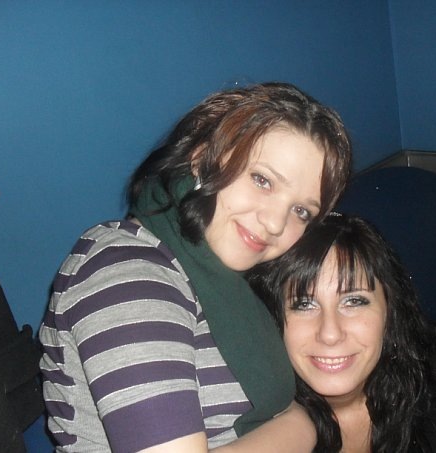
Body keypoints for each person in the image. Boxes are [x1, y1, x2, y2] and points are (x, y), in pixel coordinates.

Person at [39, 82, 351, 452]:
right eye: (262, 180)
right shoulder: (126, 270)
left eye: (301, 211)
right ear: (202, 158)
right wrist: (301, 425)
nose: (274, 223)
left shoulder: (229, 280)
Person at [248, 214, 436, 452]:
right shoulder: (252, 419)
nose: (330, 334)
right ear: (272, 318)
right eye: (304, 304)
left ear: (390, 311)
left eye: (354, 301)